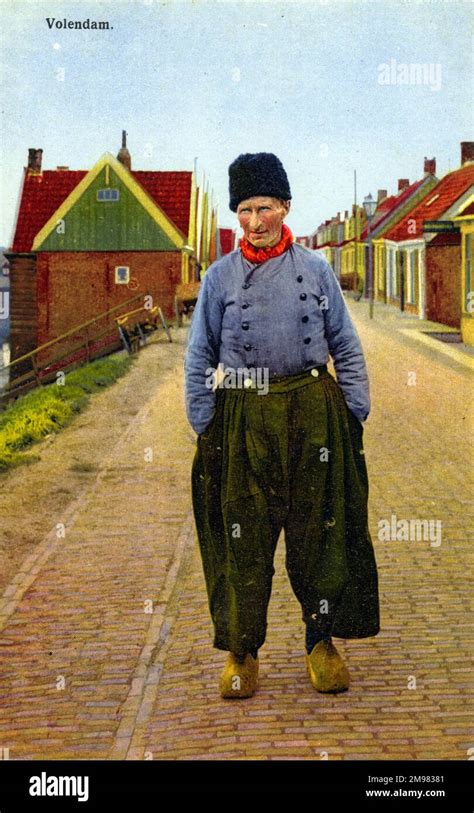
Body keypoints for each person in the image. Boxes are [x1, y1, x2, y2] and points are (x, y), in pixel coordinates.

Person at [184, 152, 380, 699]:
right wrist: (205, 421)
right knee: (241, 536)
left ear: (285, 207)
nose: (253, 221)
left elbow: (345, 342)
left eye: (264, 207)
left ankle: (321, 643)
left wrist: (353, 410)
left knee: (319, 533)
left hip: (311, 413)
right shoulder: (218, 277)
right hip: (243, 413)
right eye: (243, 210)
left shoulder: (315, 271)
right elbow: (199, 355)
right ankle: (241, 652)